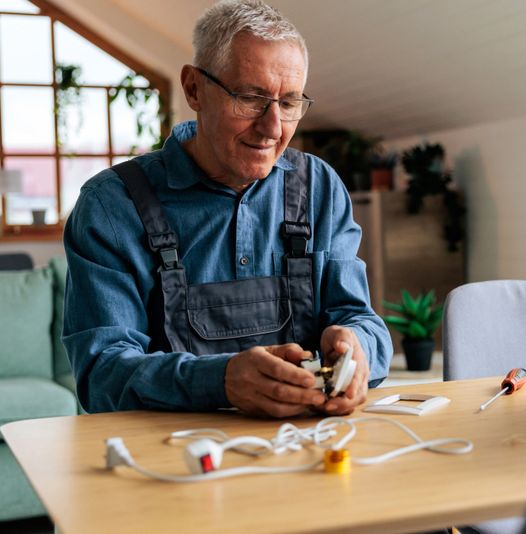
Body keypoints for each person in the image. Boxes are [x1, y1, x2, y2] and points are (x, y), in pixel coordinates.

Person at [62, 0, 392, 418]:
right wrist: (219, 381)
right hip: (168, 462)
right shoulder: (111, 205)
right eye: (251, 98)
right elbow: (102, 375)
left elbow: (360, 318)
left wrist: (357, 345)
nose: (273, 128)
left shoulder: (319, 187)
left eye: (289, 103)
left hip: (308, 451)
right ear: (194, 89)